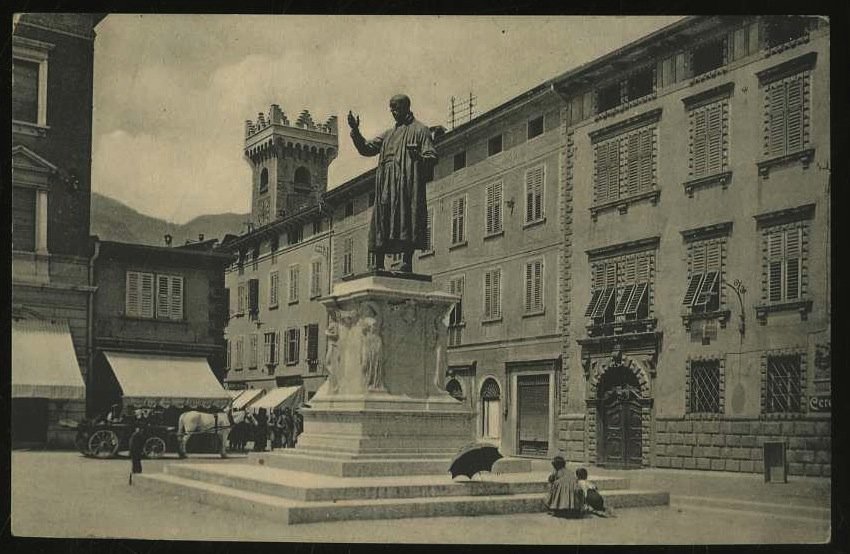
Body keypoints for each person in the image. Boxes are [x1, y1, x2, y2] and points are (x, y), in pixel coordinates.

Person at [348, 94, 437, 272]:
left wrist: (418, 157)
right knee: (382, 221)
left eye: (396, 108)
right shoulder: (388, 135)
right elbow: (366, 148)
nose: (393, 112)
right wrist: (356, 131)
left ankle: (406, 261)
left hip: (406, 186)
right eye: (391, 109)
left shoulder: (420, 130)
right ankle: (378, 263)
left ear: (406, 107)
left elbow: (432, 156)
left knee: (406, 219)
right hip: (386, 187)